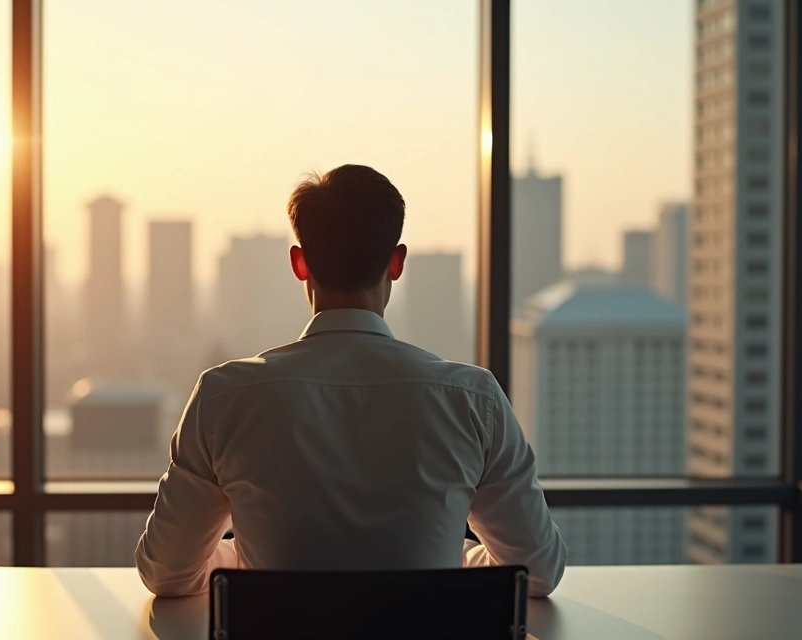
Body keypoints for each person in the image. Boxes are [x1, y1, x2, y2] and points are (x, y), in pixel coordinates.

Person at [135, 164, 566, 598]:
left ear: (299, 263)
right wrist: (446, 562)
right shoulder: (473, 401)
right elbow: (538, 571)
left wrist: (248, 566)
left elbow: (167, 575)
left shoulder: (224, 398)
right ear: (396, 263)